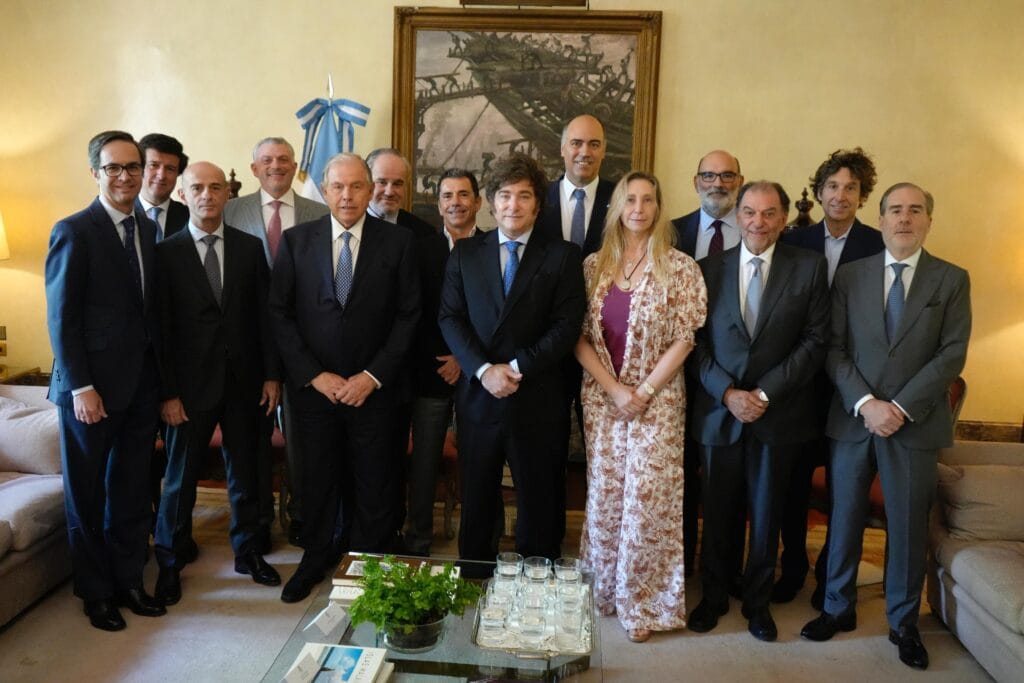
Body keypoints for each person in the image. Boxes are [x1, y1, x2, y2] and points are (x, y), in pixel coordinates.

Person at [801, 183, 971, 671]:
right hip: (855, 419)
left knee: (907, 526)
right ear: (881, 219)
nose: (904, 219)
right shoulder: (851, 277)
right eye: (895, 210)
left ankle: (903, 623)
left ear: (928, 221)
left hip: (914, 425)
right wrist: (867, 403)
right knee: (845, 517)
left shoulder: (951, 279)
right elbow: (833, 348)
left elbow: (952, 354)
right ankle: (837, 606)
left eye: (915, 210)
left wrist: (897, 406)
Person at [269, 153, 420, 603]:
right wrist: (314, 376)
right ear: (325, 189)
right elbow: (279, 314)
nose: (348, 195)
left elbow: (409, 317)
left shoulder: (400, 243)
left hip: (374, 391)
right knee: (315, 480)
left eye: (357, 186)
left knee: (376, 483)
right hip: (316, 394)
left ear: (371, 188)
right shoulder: (297, 241)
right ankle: (315, 557)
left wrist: (371, 376)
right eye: (338, 186)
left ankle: (369, 567)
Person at [688, 181, 829, 642]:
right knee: (719, 512)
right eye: (749, 212)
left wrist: (764, 394)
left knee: (767, 513)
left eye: (769, 214)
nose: (758, 222)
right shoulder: (708, 269)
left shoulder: (808, 268)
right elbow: (694, 344)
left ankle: (757, 604)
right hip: (719, 412)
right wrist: (728, 393)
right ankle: (712, 598)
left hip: (779, 414)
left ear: (783, 219)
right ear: (738, 216)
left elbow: (815, 341)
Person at [575, 171, 706, 643]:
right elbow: (581, 339)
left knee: (648, 502)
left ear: (659, 207)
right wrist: (614, 390)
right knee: (608, 497)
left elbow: (684, 339)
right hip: (603, 397)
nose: (638, 208)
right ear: (616, 207)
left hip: (660, 399)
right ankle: (606, 592)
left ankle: (645, 602)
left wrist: (644, 391)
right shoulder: (593, 267)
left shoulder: (680, 267)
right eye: (630, 199)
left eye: (648, 199)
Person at [438, 153, 585, 570]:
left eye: (524, 196)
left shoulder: (562, 255)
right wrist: (485, 371)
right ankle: (476, 575)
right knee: (479, 493)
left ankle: (535, 578)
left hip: (536, 395)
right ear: (491, 201)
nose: (513, 205)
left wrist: (515, 369)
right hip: (479, 397)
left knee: (539, 497)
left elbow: (566, 325)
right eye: (504, 195)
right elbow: (450, 317)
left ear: (538, 203)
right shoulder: (466, 253)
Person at [44, 130, 166, 630]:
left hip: (139, 389)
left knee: (132, 492)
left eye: (133, 167)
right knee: (87, 496)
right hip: (88, 393)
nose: (125, 176)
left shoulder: (151, 231)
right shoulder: (74, 230)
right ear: (95, 172)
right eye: (113, 168)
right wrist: (80, 387)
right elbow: (61, 317)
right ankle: (96, 594)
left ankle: (129, 582)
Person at [153, 162, 282, 605]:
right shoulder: (165, 254)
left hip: (245, 385)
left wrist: (271, 375)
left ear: (228, 193)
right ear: (183, 196)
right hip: (188, 392)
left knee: (246, 476)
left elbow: (264, 318)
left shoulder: (249, 248)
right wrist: (167, 393)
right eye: (197, 188)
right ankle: (169, 563)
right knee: (179, 482)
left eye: (215, 187)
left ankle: (247, 552)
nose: (207, 194)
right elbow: (161, 331)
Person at [775, 148, 885, 607]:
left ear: (863, 196)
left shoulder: (879, 245)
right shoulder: (794, 242)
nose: (840, 195)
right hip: (801, 386)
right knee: (793, 485)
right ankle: (793, 567)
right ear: (819, 192)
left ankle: (829, 575)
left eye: (851, 188)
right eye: (833, 187)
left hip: (853, 388)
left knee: (845, 488)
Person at [224, 136, 329, 548]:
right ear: (253, 169)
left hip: (306, 344)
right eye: (266, 160)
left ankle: (304, 516)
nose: (276, 166)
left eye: (284, 159)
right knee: (253, 442)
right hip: (250, 348)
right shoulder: (231, 211)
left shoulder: (320, 213)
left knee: (304, 443)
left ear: (295, 165)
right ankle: (260, 522)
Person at [670, 149, 746, 582]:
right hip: (676, 378)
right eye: (709, 176)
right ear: (695, 181)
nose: (718, 183)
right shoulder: (671, 232)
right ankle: (680, 569)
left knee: (725, 488)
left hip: (733, 383)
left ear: (740, 180)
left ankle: (722, 575)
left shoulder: (759, 228)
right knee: (680, 482)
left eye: (727, 175)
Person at [403, 168, 480, 556]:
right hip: (429, 373)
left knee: (480, 463)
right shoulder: (420, 250)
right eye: (447, 196)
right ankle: (417, 541)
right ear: (439, 205)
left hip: (479, 377)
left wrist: (464, 360)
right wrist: (445, 359)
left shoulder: (496, 247)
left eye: (463, 195)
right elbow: (412, 314)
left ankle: (481, 544)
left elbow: (497, 317)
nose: (456, 203)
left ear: (478, 202)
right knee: (424, 465)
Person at [538, 114, 614, 257]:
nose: (585, 152)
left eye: (594, 144)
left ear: (603, 151)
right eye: (576, 143)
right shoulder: (539, 197)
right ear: (562, 149)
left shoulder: (619, 198)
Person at [365, 147, 437, 237]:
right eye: (382, 182)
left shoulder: (425, 234)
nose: (389, 192)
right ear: (366, 183)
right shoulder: (349, 226)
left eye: (397, 184)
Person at [136, 133, 190, 241]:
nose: (161, 176)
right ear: (139, 168)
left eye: (170, 169)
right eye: (154, 165)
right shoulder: (120, 214)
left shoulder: (191, 218)